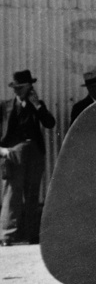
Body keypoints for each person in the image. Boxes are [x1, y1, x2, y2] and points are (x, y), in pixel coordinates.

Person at [0, 69, 57, 246]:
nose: (17, 90)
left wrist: (38, 104)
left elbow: (50, 123)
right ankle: (7, 236)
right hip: (13, 153)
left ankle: (32, 234)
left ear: (29, 87)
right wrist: (1, 150)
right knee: (12, 193)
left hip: (34, 153)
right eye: (15, 87)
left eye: (21, 87)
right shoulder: (5, 106)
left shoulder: (36, 105)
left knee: (32, 194)